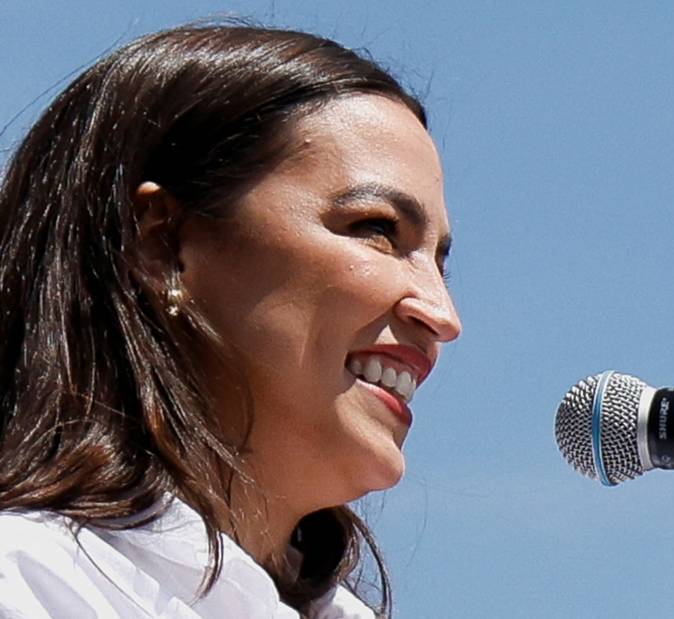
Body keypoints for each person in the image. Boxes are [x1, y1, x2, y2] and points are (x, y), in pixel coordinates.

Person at [0, 22, 461, 618]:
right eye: (376, 229)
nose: (443, 316)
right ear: (164, 243)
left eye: (440, 264)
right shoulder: (30, 585)